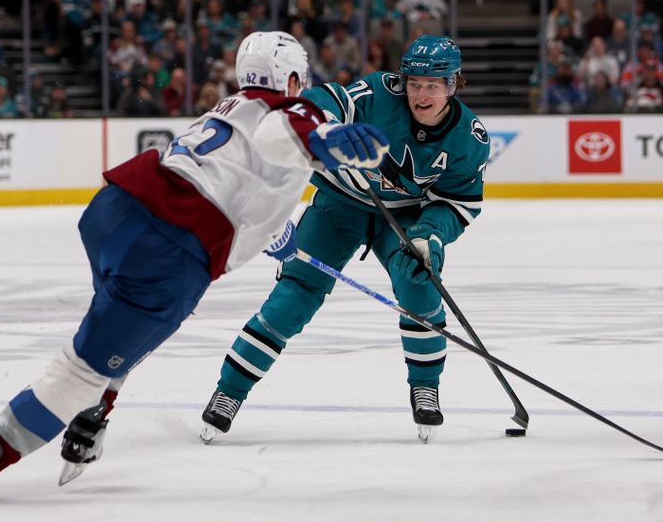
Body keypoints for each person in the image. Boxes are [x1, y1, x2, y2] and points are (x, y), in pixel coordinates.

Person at [0, 31, 389, 501]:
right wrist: (328, 140)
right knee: (79, 371)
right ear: (290, 78)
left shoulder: (228, 107)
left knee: (121, 326)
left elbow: (247, 170)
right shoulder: (292, 110)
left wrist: (273, 232)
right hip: (170, 248)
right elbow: (285, 133)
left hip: (115, 212)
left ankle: (92, 416)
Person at [198, 35, 491, 445]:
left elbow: (456, 203)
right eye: (415, 83)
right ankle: (228, 391)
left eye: (434, 84)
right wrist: (326, 126)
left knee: (419, 280)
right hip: (339, 204)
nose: (421, 94)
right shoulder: (377, 92)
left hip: (404, 217)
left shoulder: (469, 138)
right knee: (294, 295)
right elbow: (321, 99)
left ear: (454, 84)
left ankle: (425, 384)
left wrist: (429, 236)